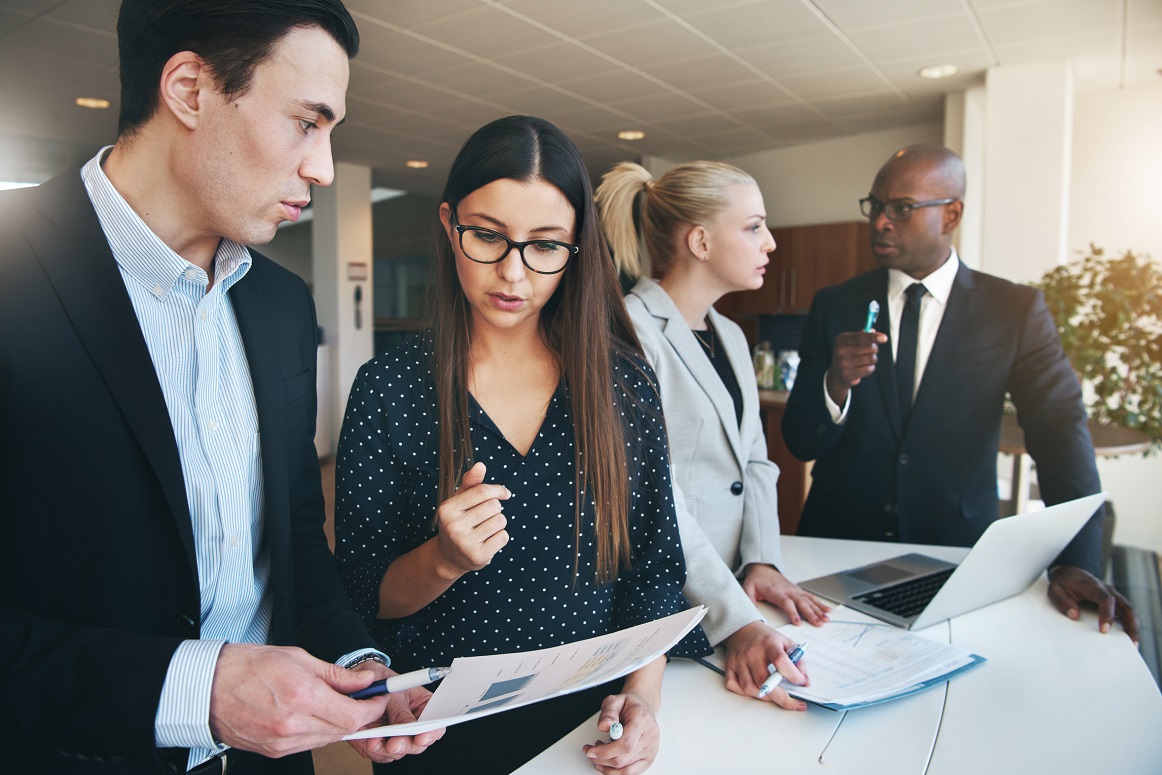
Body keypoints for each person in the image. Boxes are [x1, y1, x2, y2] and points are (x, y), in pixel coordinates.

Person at [0, 1, 443, 772]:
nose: (324, 168)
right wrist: (195, 691)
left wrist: (363, 665)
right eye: (308, 122)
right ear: (189, 89)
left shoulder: (278, 302)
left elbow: (297, 538)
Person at [335, 115, 709, 775]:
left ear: (577, 248)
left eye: (544, 246)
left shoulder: (621, 384)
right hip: (440, 729)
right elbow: (364, 592)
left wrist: (642, 697)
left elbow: (653, 568)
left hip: (588, 729)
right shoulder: (389, 387)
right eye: (487, 236)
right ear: (450, 224)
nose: (513, 273)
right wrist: (443, 559)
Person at [781, 144, 1139, 641]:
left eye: (901, 208)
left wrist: (1077, 561)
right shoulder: (835, 304)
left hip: (953, 554)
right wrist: (835, 383)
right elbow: (800, 440)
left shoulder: (1013, 311)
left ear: (952, 213)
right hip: (834, 550)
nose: (880, 222)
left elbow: (1059, 434)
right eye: (875, 205)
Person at [595, 161, 824, 709]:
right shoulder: (627, 332)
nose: (770, 242)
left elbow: (756, 464)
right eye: (753, 227)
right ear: (699, 240)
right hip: (668, 607)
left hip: (736, 592)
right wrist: (736, 621)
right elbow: (650, 495)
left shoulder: (732, 335)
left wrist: (763, 560)